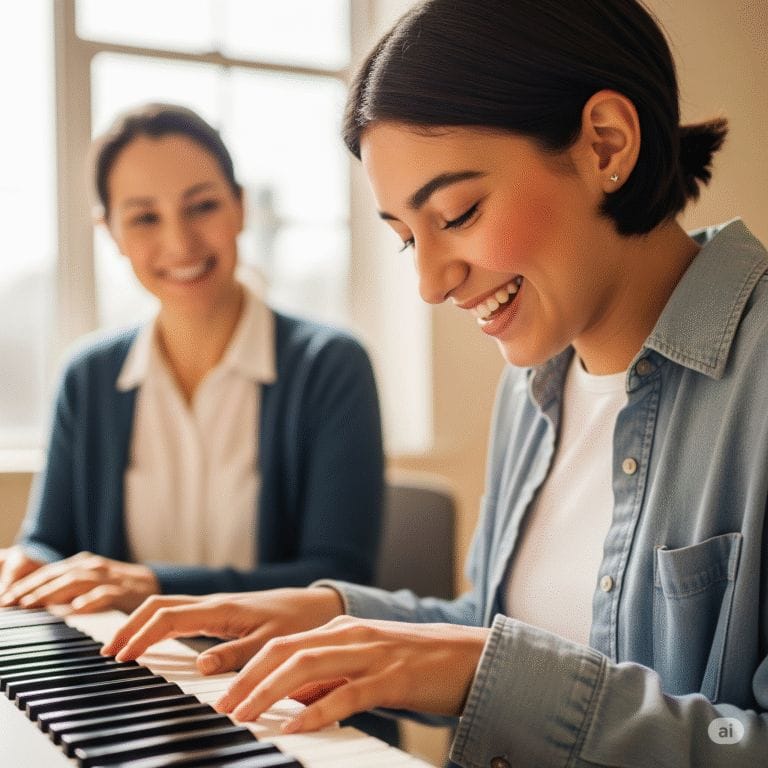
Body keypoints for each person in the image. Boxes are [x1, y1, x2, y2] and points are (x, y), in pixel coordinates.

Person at [102, 2, 768, 766]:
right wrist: (329, 610)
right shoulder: (534, 382)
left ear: (604, 144)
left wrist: (489, 672)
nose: (428, 282)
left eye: (458, 212)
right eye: (405, 237)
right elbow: (503, 622)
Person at [0, 103, 384, 614]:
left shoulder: (329, 365)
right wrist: (30, 560)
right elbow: (50, 540)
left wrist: (153, 584)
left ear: (240, 207)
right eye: (143, 218)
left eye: (202, 206)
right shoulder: (86, 375)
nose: (179, 243)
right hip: (122, 677)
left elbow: (339, 577)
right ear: (111, 232)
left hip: (274, 677)